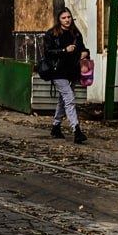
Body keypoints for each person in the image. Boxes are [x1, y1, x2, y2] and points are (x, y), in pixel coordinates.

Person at [43, 8, 88, 144]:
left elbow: (82, 48)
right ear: (59, 20)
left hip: (72, 71)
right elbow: (47, 52)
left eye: (69, 17)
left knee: (63, 100)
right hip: (58, 71)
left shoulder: (75, 33)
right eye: (64, 18)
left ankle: (56, 126)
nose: (67, 20)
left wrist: (85, 53)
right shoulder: (51, 34)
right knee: (69, 98)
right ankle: (76, 130)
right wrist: (64, 50)